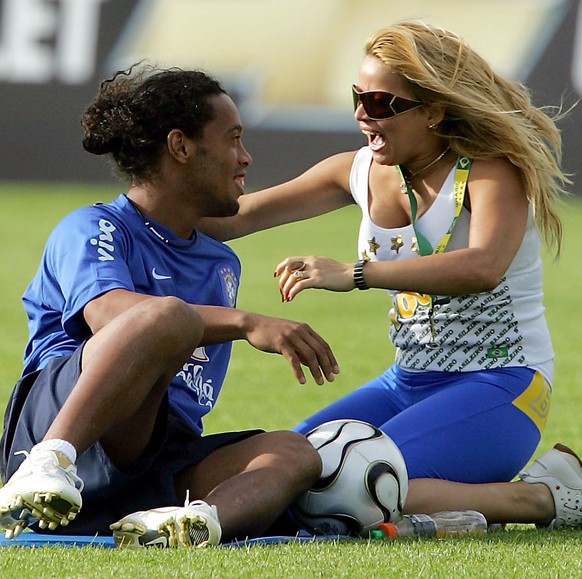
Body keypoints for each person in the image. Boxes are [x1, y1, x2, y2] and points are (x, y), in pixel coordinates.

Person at [199, 21, 582, 529]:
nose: (362, 114)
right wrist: (127, 217)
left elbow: (484, 266)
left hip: (503, 386)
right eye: (358, 97)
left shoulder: (492, 170)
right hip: (406, 382)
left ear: (434, 111)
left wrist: (357, 274)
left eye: (381, 103)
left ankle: (543, 499)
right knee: (284, 469)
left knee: (345, 487)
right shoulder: (354, 169)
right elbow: (238, 216)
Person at [0, 64, 341, 548]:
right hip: (71, 425)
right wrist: (246, 323)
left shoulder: (220, 260)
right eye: (232, 139)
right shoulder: (92, 228)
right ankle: (47, 466)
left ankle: (184, 525)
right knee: (169, 316)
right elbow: (112, 314)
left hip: (156, 449)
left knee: (295, 453)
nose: (245, 157)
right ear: (180, 147)